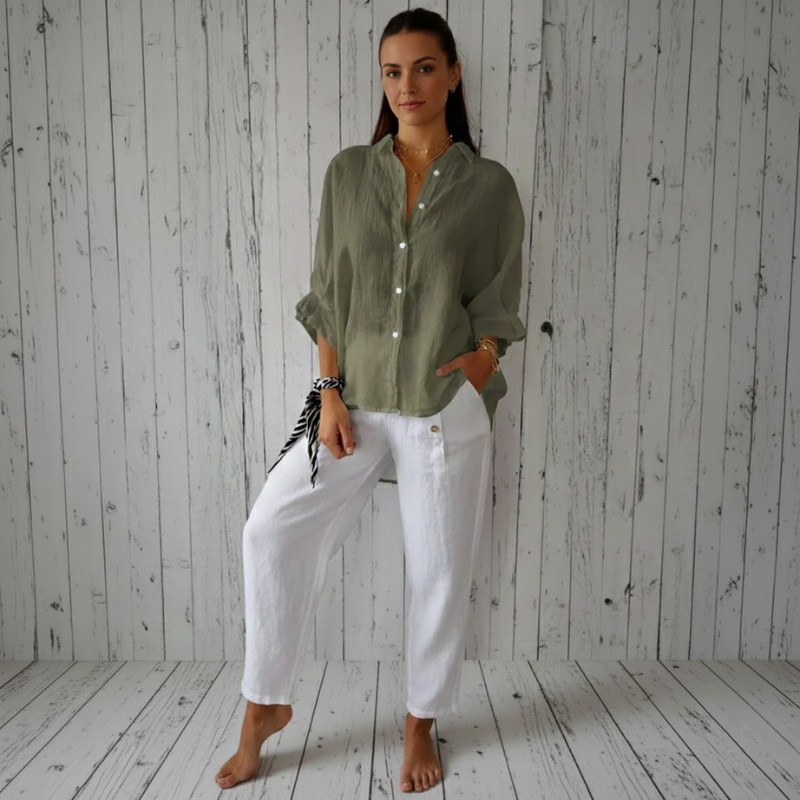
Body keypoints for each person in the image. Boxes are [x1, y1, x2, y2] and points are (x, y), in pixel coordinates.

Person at [215, 7, 526, 794]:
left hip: (440, 405)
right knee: (270, 529)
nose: (407, 86)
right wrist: (327, 393)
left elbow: (497, 298)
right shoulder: (348, 174)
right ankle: (265, 706)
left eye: (424, 68)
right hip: (349, 405)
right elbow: (329, 295)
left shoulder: (488, 187)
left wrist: (479, 364)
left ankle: (421, 722)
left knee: (437, 572)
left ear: (453, 74)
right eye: (392, 71)